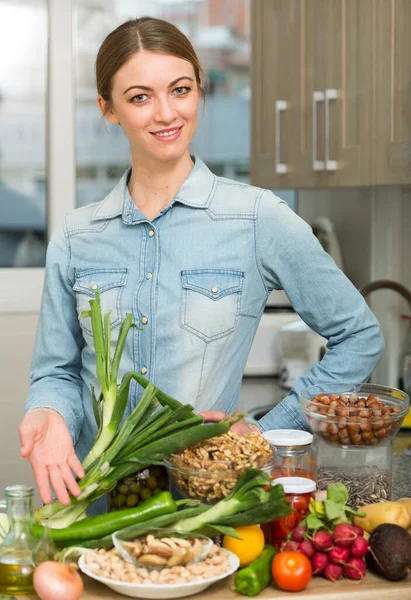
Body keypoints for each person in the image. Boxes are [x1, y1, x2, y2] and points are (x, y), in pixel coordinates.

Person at [19, 17, 384, 514]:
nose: (166, 113)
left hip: (205, 510)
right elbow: (56, 372)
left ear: (200, 92)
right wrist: (47, 413)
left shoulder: (258, 218)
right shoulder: (77, 235)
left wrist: (262, 431)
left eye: (181, 89)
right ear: (108, 109)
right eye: (140, 97)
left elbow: (359, 335)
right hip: (92, 507)